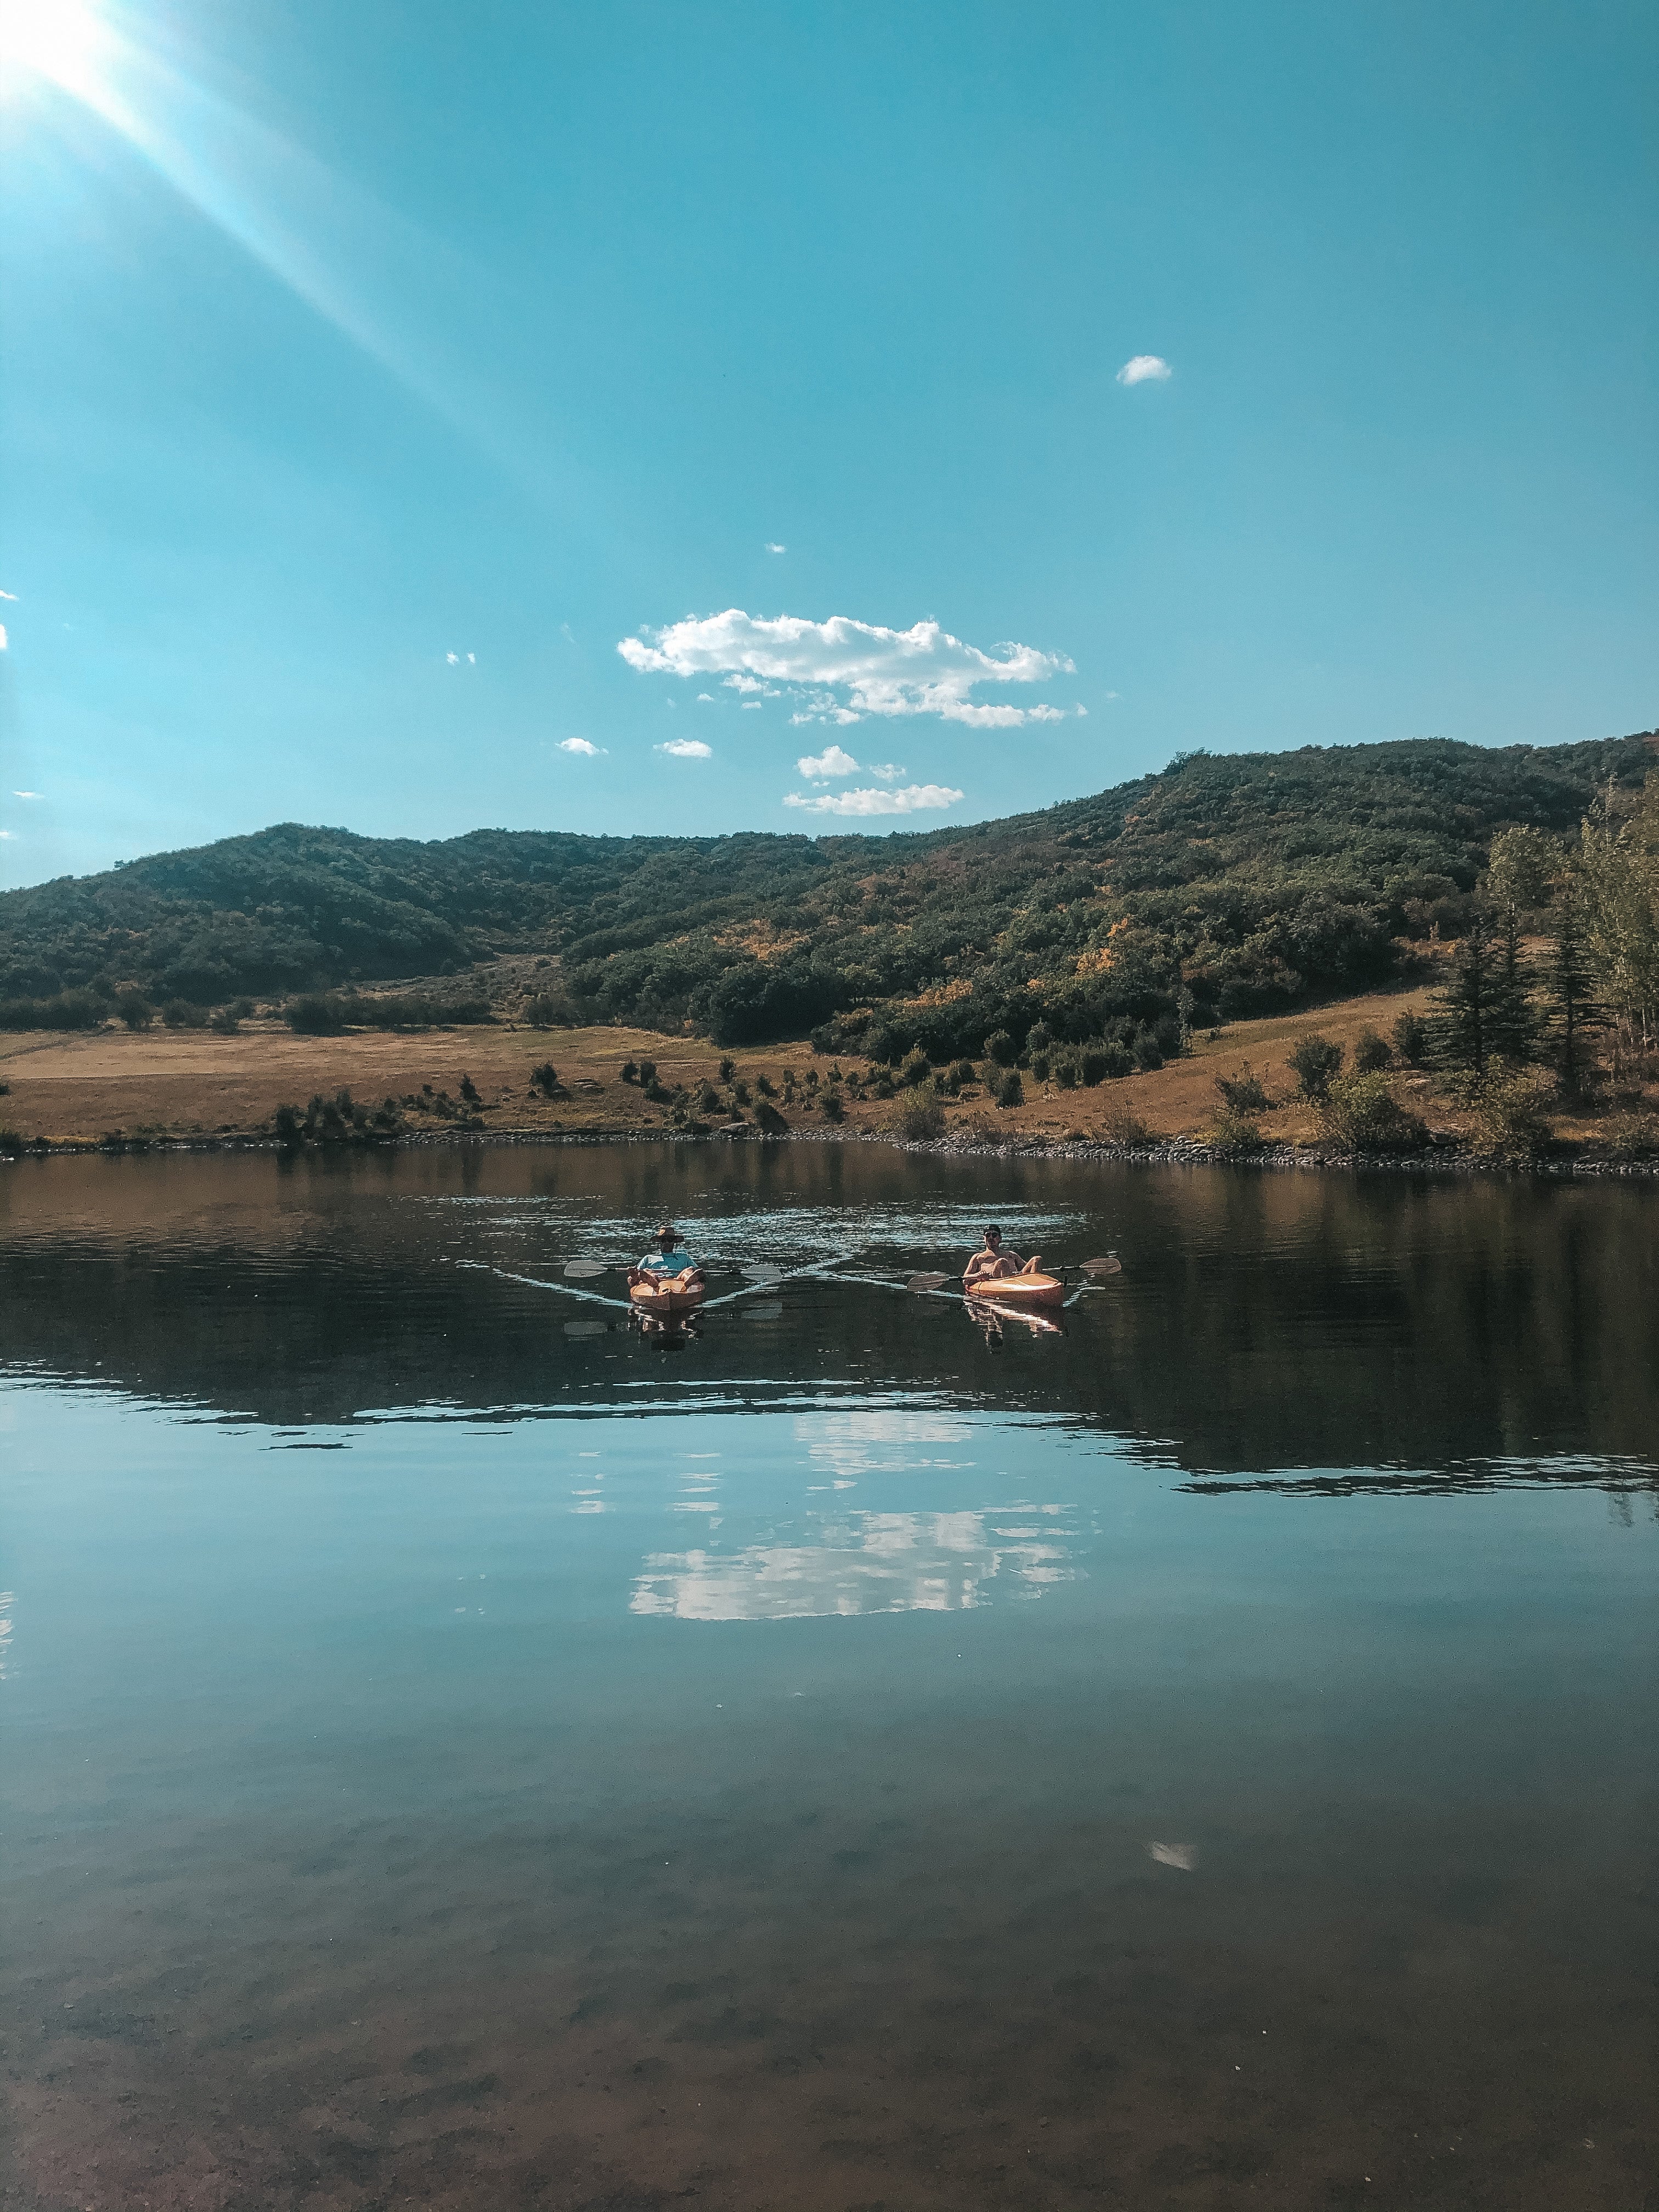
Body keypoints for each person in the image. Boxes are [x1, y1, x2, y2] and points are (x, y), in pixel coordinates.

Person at [627, 1223, 704, 1289]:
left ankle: (688, 1279)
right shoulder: (648, 1258)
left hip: (679, 1282)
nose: (667, 1243)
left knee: (690, 1270)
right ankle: (652, 1279)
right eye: (664, 1240)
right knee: (647, 1271)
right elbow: (631, 1281)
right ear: (660, 1242)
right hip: (655, 1283)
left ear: (674, 1242)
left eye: (670, 1240)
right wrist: (633, 1275)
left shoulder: (684, 1258)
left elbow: (701, 1274)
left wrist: (699, 1275)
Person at [963, 1224, 1042, 1285]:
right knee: (1002, 1262)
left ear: (1000, 1239)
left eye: (994, 1235)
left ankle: (1037, 1286)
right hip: (995, 1280)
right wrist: (977, 1276)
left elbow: (1026, 1269)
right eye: (988, 1235)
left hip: (1017, 1280)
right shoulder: (978, 1257)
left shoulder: (1011, 1255)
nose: (991, 1238)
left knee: (1037, 1259)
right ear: (984, 1239)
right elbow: (965, 1279)